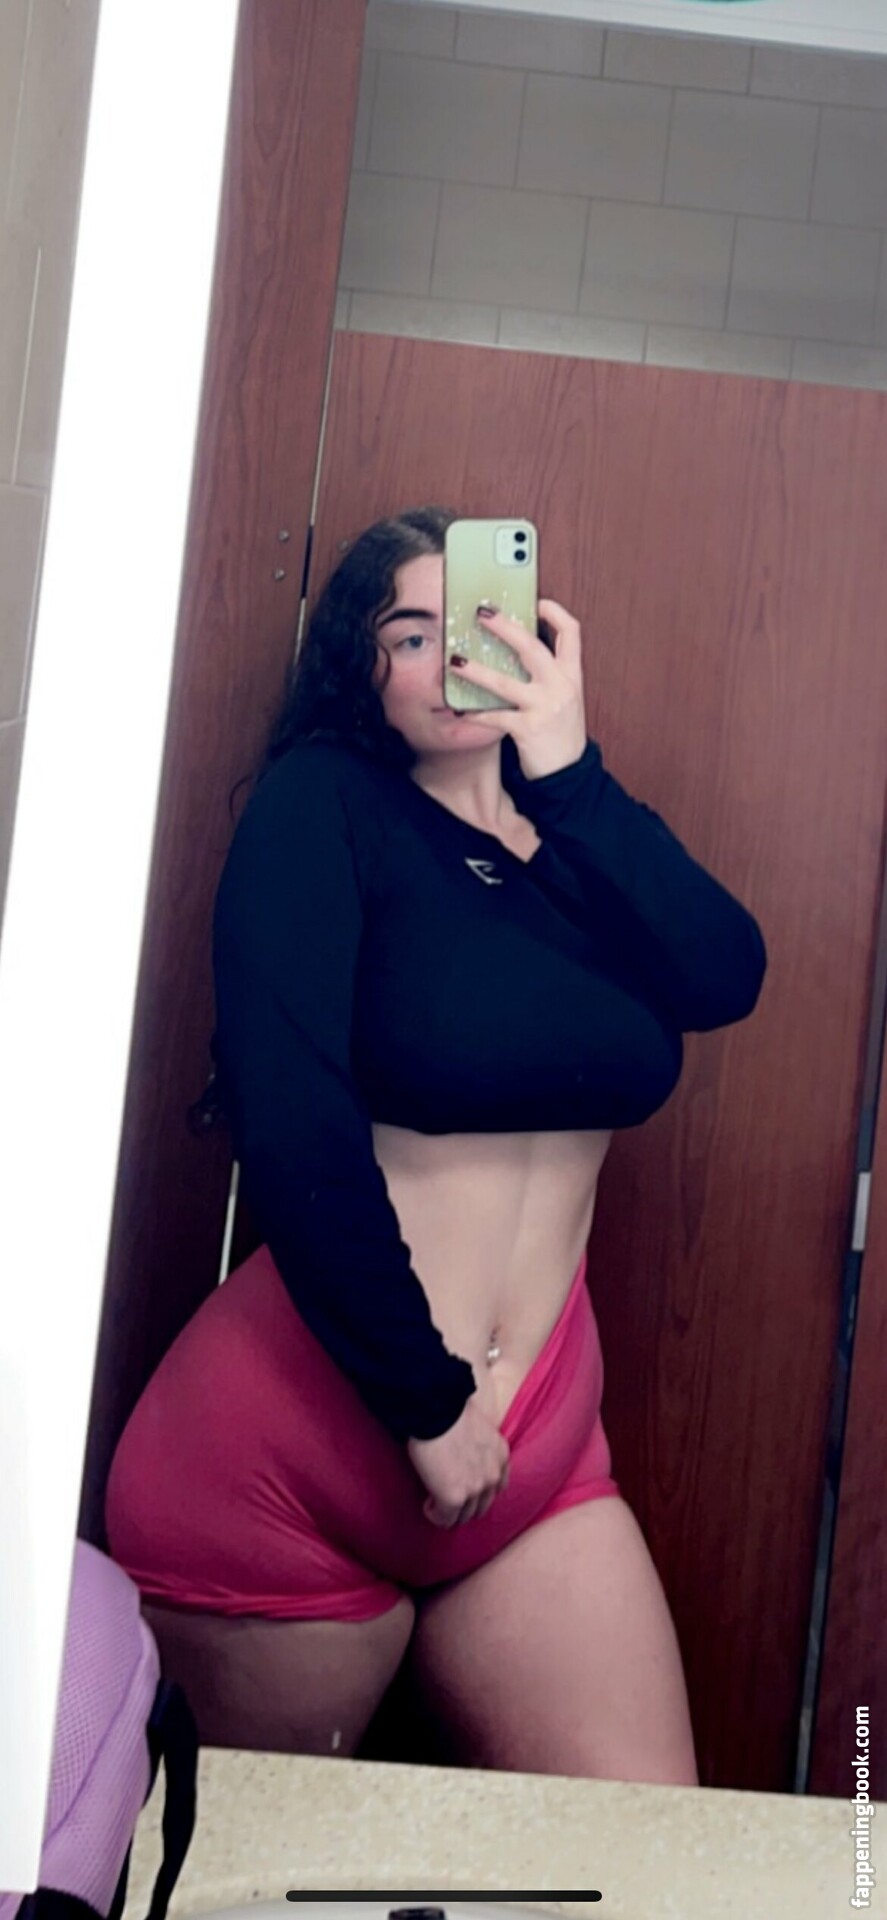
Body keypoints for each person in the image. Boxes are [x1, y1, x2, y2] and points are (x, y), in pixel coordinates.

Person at [105, 505, 767, 1782]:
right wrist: (424, 1400)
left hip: (535, 1464)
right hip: (299, 1460)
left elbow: (723, 973)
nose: (450, 658)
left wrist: (567, 772)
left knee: (644, 1844)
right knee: (258, 1868)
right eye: (410, 635)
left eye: (477, 625)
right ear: (361, 671)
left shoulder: (580, 843)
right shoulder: (322, 807)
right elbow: (290, 1115)